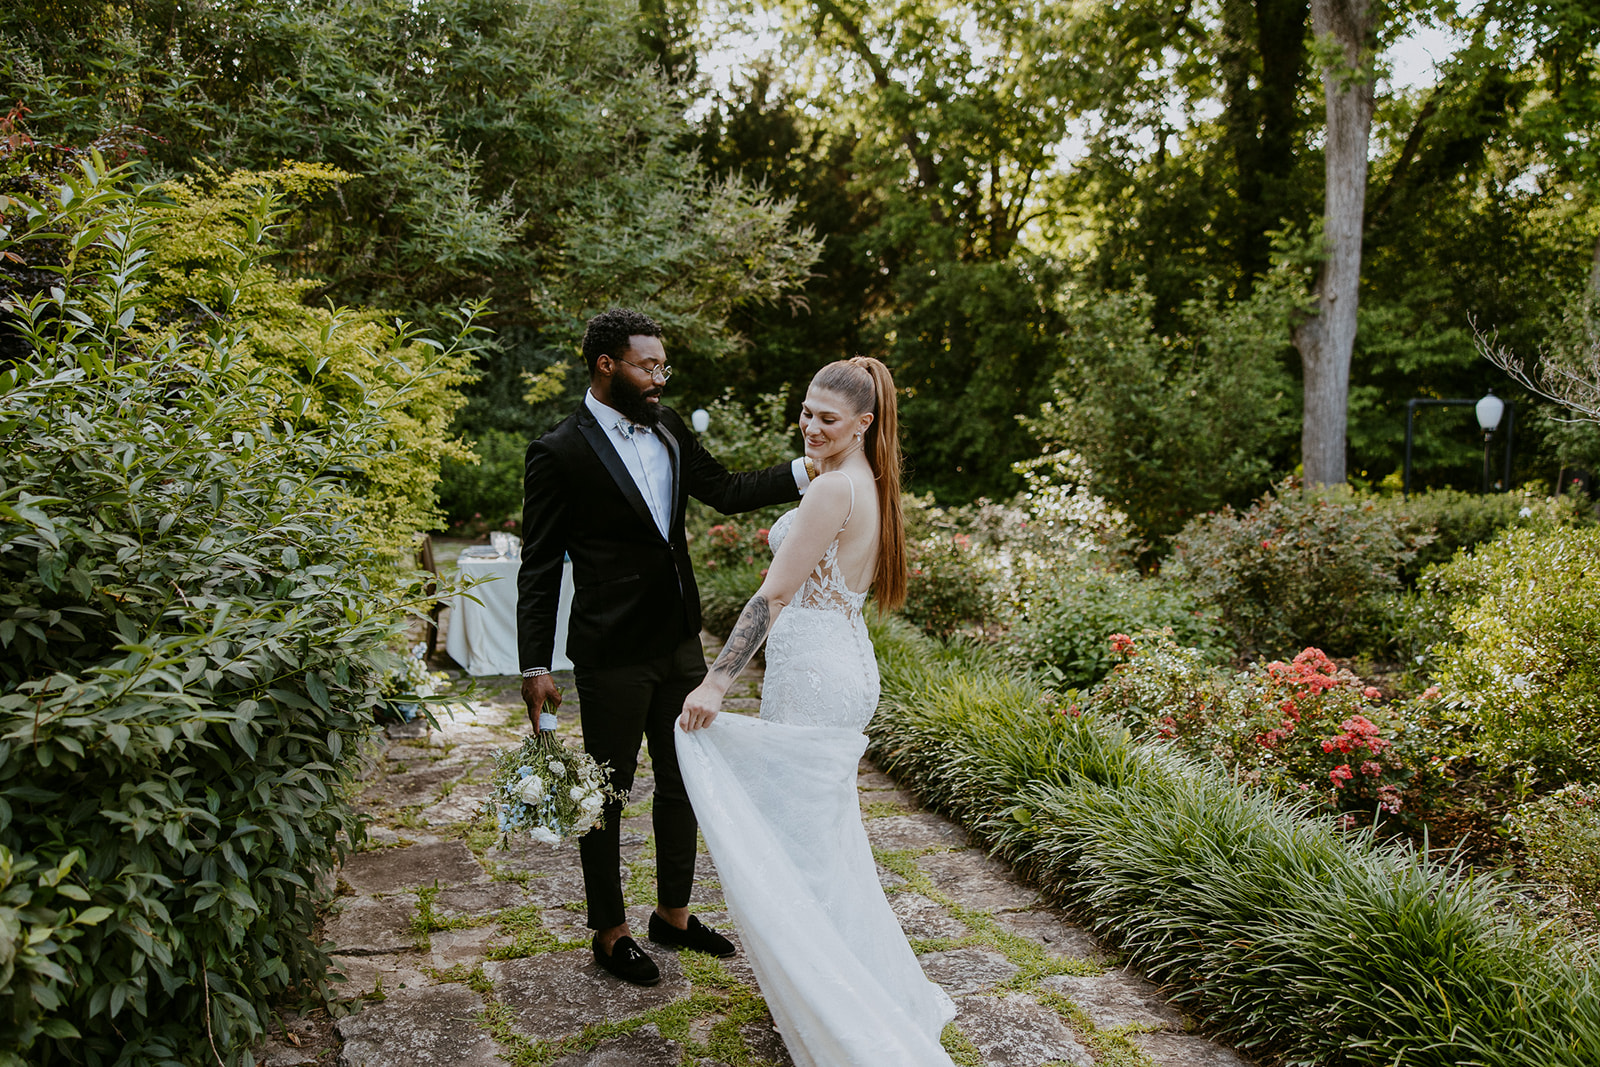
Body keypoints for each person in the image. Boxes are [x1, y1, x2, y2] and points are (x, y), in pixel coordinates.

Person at [516, 307, 811, 986]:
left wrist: (812, 468)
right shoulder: (557, 451)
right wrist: (536, 664)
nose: (659, 377)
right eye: (648, 365)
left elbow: (727, 491)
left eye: (663, 366)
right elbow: (539, 565)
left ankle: (672, 915)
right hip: (611, 648)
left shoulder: (670, 427)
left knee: (684, 780)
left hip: (680, 641)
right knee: (608, 792)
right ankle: (610, 930)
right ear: (606, 366)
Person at [676, 357, 958, 1066]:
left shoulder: (834, 487)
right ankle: (848, 982)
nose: (810, 425)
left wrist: (715, 682)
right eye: (806, 411)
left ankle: (839, 1003)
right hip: (842, 664)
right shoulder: (871, 481)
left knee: (804, 851)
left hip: (813, 676)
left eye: (826, 418)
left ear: (863, 423)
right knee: (826, 848)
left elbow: (770, 596)